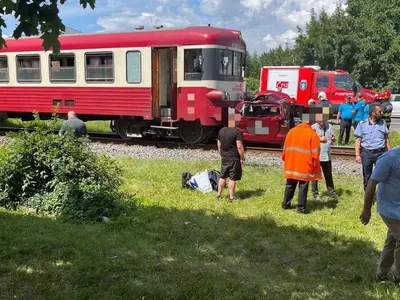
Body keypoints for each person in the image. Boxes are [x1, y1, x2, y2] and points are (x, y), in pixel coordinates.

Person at [360, 147, 400, 283]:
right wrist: (366, 209)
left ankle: (381, 275)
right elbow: (372, 183)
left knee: (392, 241)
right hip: (389, 209)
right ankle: (398, 278)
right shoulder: (390, 158)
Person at [281, 110, 322, 214]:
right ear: (311, 121)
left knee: (290, 184)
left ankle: (286, 204)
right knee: (303, 186)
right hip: (304, 165)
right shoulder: (312, 134)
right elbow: (315, 154)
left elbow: (285, 149)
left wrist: (287, 160)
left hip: (291, 163)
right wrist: (315, 166)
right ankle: (301, 208)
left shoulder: (291, 131)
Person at [354, 104, 391, 191]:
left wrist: (390, 152)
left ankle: (382, 194)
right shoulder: (362, 124)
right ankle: (368, 195)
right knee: (367, 176)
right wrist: (357, 155)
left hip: (381, 153)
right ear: (373, 113)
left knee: (383, 175)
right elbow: (358, 140)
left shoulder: (383, 123)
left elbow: (386, 139)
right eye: (379, 112)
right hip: (367, 153)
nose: (381, 113)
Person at [311, 110, 339, 201]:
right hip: (317, 156)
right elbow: (310, 140)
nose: (322, 120)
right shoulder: (312, 127)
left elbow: (332, 139)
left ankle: (331, 192)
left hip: (327, 155)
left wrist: (334, 139)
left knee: (328, 175)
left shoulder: (330, 126)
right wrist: (319, 138)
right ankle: (315, 194)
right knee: (315, 176)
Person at [216, 117, 245, 202]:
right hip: (234, 158)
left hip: (225, 157)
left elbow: (219, 145)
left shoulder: (221, 131)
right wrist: (242, 158)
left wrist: (221, 154)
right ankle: (231, 197)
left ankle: (218, 195)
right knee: (232, 178)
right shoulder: (237, 131)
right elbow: (239, 146)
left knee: (222, 176)